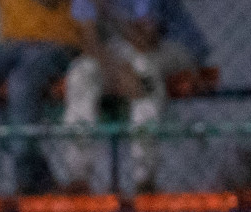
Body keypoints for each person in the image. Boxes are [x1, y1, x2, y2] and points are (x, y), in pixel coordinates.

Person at [61, 0, 208, 194]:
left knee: (144, 71)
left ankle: (144, 177)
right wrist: (117, 72)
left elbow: (147, 42)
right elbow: (89, 41)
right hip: (124, 53)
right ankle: (78, 176)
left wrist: (107, 11)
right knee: (80, 74)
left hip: (173, 46)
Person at [0, 0, 87, 194]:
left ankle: (27, 174)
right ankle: (27, 158)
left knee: (20, 83)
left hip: (56, 42)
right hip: (12, 43)